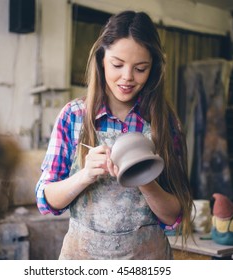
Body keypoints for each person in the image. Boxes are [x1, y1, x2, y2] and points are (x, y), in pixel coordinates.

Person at [35, 10, 193, 259]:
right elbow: (46, 201)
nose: (128, 77)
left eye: (141, 68)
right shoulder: (74, 116)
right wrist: (85, 175)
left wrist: (145, 179)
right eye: (117, 65)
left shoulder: (165, 123)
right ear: (101, 60)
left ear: (153, 69)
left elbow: (174, 216)